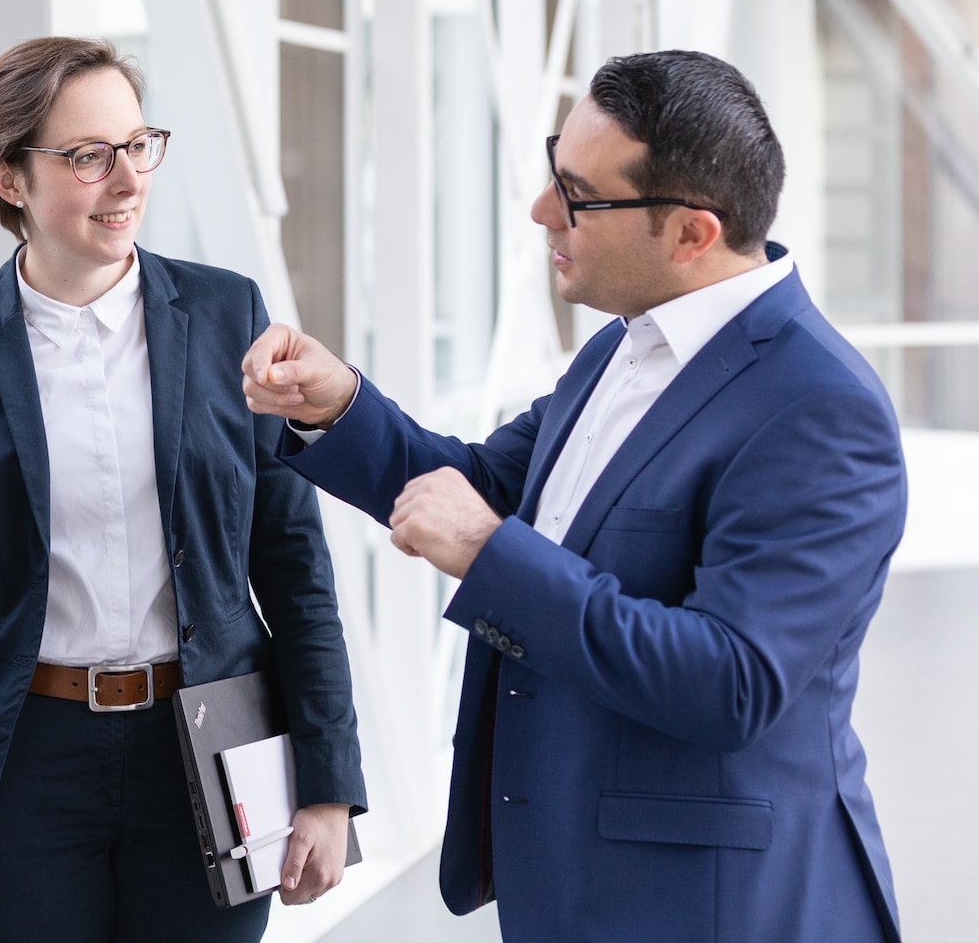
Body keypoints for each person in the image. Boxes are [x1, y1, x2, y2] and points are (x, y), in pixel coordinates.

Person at [243, 50, 906, 942]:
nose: (541, 211)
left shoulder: (821, 409)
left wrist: (489, 557)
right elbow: (478, 489)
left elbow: (732, 681)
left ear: (692, 234)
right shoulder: (622, 348)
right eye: (556, 171)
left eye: (579, 195)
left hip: (710, 905)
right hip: (572, 878)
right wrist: (338, 408)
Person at [0, 36, 366, 943]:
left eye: (138, 146)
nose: (127, 180)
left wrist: (329, 784)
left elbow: (294, 567)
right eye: (89, 157)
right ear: (8, 178)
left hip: (207, 745)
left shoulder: (227, 316)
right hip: (13, 768)